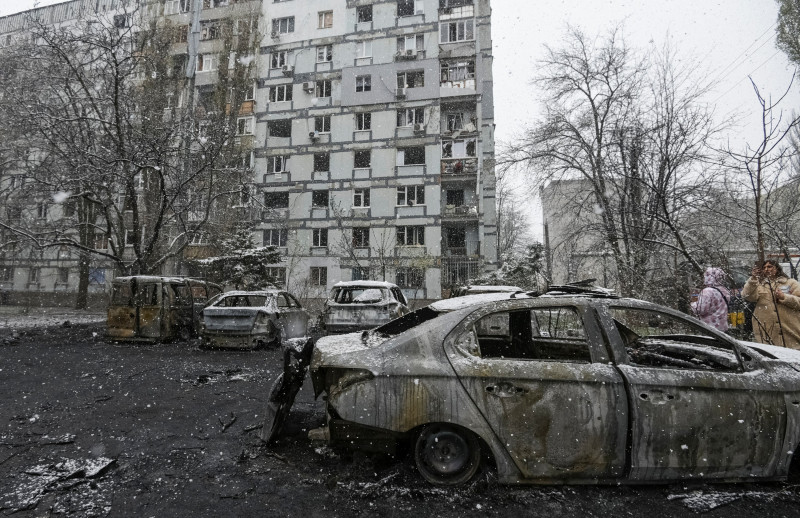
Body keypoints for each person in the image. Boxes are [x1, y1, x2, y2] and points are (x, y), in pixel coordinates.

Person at [741, 260, 800, 349]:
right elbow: (747, 296)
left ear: (777, 268)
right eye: (764, 267)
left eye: (770, 266)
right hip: (767, 332)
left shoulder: (791, 283)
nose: (766, 269)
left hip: (790, 331)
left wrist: (784, 297)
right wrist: (753, 279)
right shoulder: (758, 284)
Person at [691, 267, 730, 331]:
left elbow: (700, 310)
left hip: (709, 329)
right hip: (722, 328)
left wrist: (693, 302)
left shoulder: (707, 291)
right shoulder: (725, 290)